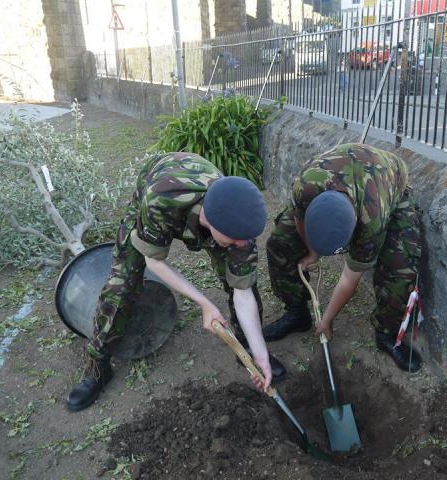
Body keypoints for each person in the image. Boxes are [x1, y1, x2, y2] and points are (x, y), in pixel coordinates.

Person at [67, 152, 285, 412]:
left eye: (244, 240)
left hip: (199, 198)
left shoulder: (239, 228)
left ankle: (245, 348)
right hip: (155, 188)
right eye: (235, 240)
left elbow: (243, 292)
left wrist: (260, 354)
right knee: (122, 284)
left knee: (241, 278)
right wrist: (204, 303)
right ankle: (98, 364)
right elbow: (154, 261)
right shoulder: (160, 201)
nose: (242, 245)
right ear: (211, 221)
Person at [262, 143, 423, 372]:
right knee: (279, 243)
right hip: (343, 173)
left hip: (389, 185)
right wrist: (312, 252)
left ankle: (386, 333)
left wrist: (327, 320)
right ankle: (297, 313)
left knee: (401, 270)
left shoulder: (372, 220)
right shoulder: (305, 187)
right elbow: (299, 219)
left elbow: (350, 278)